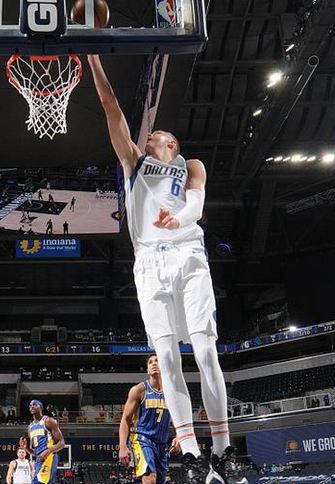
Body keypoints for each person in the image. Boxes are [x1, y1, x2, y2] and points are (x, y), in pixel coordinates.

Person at [89, 54, 236, 483]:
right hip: (149, 264)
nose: (153, 133)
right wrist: (93, 57)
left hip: (189, 255)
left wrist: (180, 219)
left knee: (206, 352)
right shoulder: (134, 163)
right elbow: (111, 106)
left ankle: (223, 450)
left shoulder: (191, 166)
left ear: (171, 143)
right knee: (166, 357)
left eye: (160, 134)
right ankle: (190, 449)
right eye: (150, 133)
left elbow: (197, 202)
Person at [119, 355, 175, 484]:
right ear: (147, 370)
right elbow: (125, 419)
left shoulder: (171, 392)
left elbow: (177, 418)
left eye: (157, 361)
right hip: (142, 439)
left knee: (160, 481)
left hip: (161, 443)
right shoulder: (139, 390)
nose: (154, 364)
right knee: (150, 478)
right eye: (150, 362)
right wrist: (123, 446)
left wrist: (178, 436)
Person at [19, 400, 65, 484]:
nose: (32, 406)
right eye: (30, 405)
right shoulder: (30, 427)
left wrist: (48, 451)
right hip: (38, 460)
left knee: (37, 482)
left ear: (41, 407)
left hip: (49, 457)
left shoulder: (48, 421)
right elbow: (34, 453)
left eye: (35, 405)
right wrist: (26, 448)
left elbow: (62, 443)